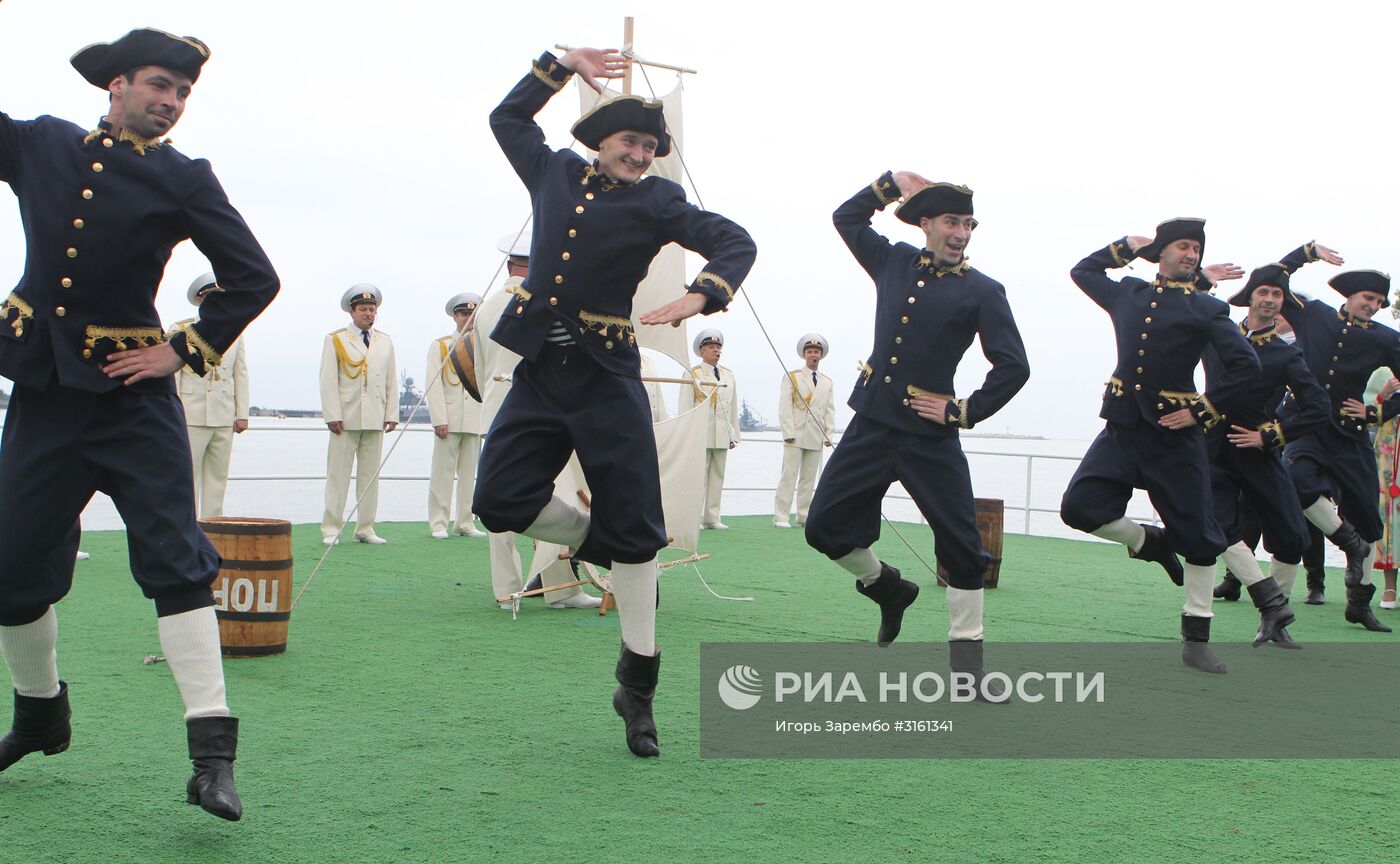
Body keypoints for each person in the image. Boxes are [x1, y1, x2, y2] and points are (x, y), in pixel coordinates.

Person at [0, 28, 280, 820]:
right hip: (47, 392)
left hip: (134, 405)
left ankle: (212, 759)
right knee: (11, 568)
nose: (171, 101)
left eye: (184, 92)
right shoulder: (42, 145)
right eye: (160, 84)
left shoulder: (186, 179)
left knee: (176, 561)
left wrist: (182, 350)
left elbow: (253, 276)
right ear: (117, 83)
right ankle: (40, 714)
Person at [474, 47, 755, 757]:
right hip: (541, 365)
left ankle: (638, 688)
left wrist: (704, 292)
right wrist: (560, 65)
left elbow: (733, 239)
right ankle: (605, 544)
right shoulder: (554, 170)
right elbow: (507, 117)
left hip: (607, 374)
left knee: (639, 528)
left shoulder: (657, 200)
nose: (641, 153)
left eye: (651, 146)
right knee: (500, 501)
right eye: (630, 141)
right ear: (598, 141)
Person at [805, 172, 1029, 695]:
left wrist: (963, 411)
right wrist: (891, 183)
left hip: (930, 436)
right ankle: (887, 587)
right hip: (872, 423)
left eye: (969, 223)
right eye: (952, 221)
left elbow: (1014, 366)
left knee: (962, 546)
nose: (961, 232)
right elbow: (846, 217)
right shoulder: (894, 260)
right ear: (925, 222)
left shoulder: (983, 291)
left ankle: (967, 668)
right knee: (823, 528)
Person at [1059, 218, 1257, 673]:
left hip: (1175, 436)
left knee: (1202, 540)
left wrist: (1203, 411)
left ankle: (1196, 639)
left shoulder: (1208, 309)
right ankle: (1150, 542)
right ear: (1162, 252)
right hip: (1123, 427)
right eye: (1183, 246)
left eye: (1196, 249)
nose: (1191, 255)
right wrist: (1127, 244)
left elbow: (1246, 367)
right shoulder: (1127, 292)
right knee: (1079, 508)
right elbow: (1083, 271)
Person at [1201, 260, 1332, 645]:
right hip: (1214, 449)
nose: (1271, 299)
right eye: (1264, 292)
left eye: (1277, 294)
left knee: (1292, 536)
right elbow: (1188, 304)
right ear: (1250, 298)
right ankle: (1269, 603)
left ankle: (1275, 622)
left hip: (1259, 449)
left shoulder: (1286, 354)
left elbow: (1318, 407)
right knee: (1222, 527)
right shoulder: (1218, 335)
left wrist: (1271, 435)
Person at [476, 231, 600, 610]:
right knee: (554, 496)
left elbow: (480, 366)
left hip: (496, 408)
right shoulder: (545, 300)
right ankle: (560, 590)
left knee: (497, 501)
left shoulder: (484, 307)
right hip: (537, 408)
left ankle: (507, 591)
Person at [1277, 252, 1400, 632]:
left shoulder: (1386, 338)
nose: (1374, 306)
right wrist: (1306, 253)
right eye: (1369, 298)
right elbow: (1274, 278)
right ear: (1349, 295)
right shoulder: (1313, 314)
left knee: (1368, 517)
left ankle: (1359, 604)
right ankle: (1349, 543)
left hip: (1348, 434)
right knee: (1295, 480)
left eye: (1380, 302)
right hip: (1304, 426)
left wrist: (1377, 413)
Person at [319, 285, 398, 545]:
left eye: (372, 309)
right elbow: (328, 380)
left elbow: (390, 380)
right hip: (346, 416)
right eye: (363, 309)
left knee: (370, 477)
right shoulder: (337, 339)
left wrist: (391, 413)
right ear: (351, 311)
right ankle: (331, 528)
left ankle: (365, 528)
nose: (368, 314)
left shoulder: (384, 341)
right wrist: (332, 414)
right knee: (338, 476)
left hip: (375, 416)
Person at [176, 272, 250, 518]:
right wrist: (172, 415)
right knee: (188, 479)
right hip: (191, 414)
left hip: (223, 414)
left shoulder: (234, 332)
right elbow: (173, 377)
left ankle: (214, 529)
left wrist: (242, 414)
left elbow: (240, 374)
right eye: (211, 296)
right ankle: (188, 530)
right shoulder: (182, 329)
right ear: (200, 299)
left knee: (218, 479)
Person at [426, 293, 487, 539]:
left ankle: (465, 521)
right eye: (464, 314)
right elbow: (434, 384)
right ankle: (438, 523)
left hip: (474, 418)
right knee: (442, 473)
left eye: (473, 314)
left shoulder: (484, 346)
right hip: (449, 419)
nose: (469, 319)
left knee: (469, 474)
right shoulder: (441, 346)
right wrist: (439, 419)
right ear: (455, 317)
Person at [679, 330, 740, 529]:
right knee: (698, 477)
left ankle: (712, 517)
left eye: (718, 347)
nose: (716, 350)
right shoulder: (693, 373)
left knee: (717, 476)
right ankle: (693, 517)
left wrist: (734, 435)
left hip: (722, 432)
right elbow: (685, 406)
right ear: (702, 351)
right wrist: (687, 434)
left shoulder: (728, 375)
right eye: (712, 347)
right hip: (701, 433)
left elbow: (732, 406)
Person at [774, 333, 834, 528]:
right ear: (804, 354)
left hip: (815, 435)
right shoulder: (793, 377)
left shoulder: (827, 381)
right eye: (809, 351)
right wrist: (788, 433)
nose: (813, 355)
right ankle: (781, 516)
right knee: (789, 476)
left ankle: (803, 515)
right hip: (796, 434)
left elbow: (829, 410)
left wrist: (829, 434)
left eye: (816, 352)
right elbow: (785, 406)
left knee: (808, 479)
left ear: (821, 355)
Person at [1365, 367, 1400, 609]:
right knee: (1390, 517)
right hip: (1389, 457)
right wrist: (1383, 396)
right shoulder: (1383, 373)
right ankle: (1390, 587)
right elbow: (1365, 419)